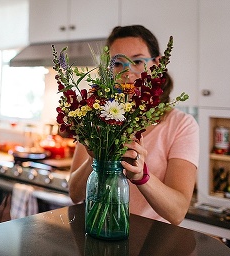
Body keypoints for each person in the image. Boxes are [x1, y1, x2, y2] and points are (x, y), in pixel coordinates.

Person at [68, 25, 199, 225]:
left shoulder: (181, 125)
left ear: (157, 63)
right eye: (118, 63)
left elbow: (177, 212)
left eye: (137, 61)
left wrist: (142, 175)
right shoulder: (95, 116)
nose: (127, 73)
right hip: (97, 232)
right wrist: (95, 158)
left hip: (150, 242)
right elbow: (75, 194)